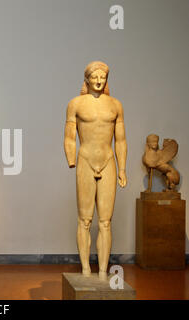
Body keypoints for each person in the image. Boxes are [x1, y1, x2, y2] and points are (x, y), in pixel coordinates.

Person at [64, 61, 127, 279]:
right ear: (87, 79)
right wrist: (71, 159)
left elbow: (120, 140)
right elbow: (69, 136)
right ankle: (85, 269)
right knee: (85, 220)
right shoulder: (76, 104)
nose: (99, 81)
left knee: (106, 221)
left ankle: (102, 271)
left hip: (108, 160)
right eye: (95, 77)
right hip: (85, 160)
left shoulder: (115, 105)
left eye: (103, 77)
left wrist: (122, 169)